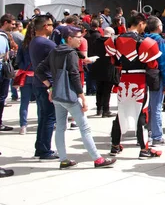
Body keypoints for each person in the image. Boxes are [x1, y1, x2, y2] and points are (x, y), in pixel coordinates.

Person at [34, 26, 116, 169]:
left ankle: (64, 159)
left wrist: (50, 87)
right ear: (69, 38)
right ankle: (97, 159)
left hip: (58, 95)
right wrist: (82, 97)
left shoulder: (55, 51)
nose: (81, 40)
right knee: (84, 127)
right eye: (78, 37)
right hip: (69, 96)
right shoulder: (70, 53)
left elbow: (40, 70)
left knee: (60, 127)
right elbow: (74, 75)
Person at [105, 14, 163, 159]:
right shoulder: (145, 42)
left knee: (121, 112)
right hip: (139, 81)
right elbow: (153, 64)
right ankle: (144, 149)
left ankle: (115, 145)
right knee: (142, 114)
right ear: (141, 24)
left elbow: (114, 62)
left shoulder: (115, 40)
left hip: (124, 80)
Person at [29, 15, 59, 160]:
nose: (53, 27)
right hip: (46, 84)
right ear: (45, 26)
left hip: (39, 83)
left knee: (43, 117)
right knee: (48, 118)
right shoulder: (46, 43)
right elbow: (62, 53)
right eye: (51, 25)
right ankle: (45, 150)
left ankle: (41, 148)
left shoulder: (34, 41)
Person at [144, 17, 165, 145]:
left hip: (144, 74)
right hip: (157, 75)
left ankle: (148, 132)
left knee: (147, 106)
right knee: (156, 106)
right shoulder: (160, 40)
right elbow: (163, 62)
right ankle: (157, 136)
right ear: (158, 27)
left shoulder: (144, 38)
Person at [88, 25, 116, 117]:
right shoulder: (111, 42)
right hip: (108, 68)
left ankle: (99, 109)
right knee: (107, 91)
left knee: (99, 90)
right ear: (112, 34)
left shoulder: (96, 41)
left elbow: (91, 53)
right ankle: (106, 110)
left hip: (97, 67)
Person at [15, 25, 36, 134]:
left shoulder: (23, 45)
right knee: (41, 102)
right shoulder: (39, 44)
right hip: (37, 75)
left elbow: (18, 60)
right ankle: (40, 123)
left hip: (25, 74)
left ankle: (23, 125)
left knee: (24, 101)